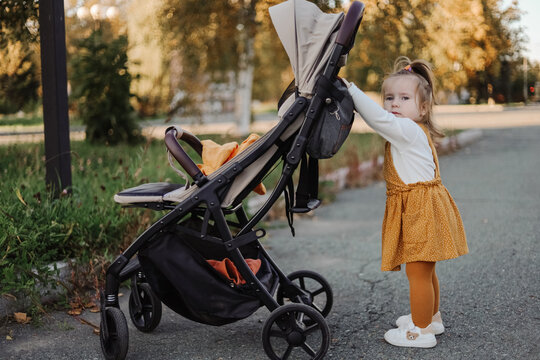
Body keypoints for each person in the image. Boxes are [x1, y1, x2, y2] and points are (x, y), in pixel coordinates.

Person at [342, 57, 468, 348]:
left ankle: (420, 332)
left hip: (420, 210)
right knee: (426, 268)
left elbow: (378, 118)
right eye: (389, 98)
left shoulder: (407, 130)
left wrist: (351, 90)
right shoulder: (412, 130)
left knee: (417, 272)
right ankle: (431, 319)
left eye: (404, 98)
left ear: (423, 108)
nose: (394, 104)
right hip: (425, 206)